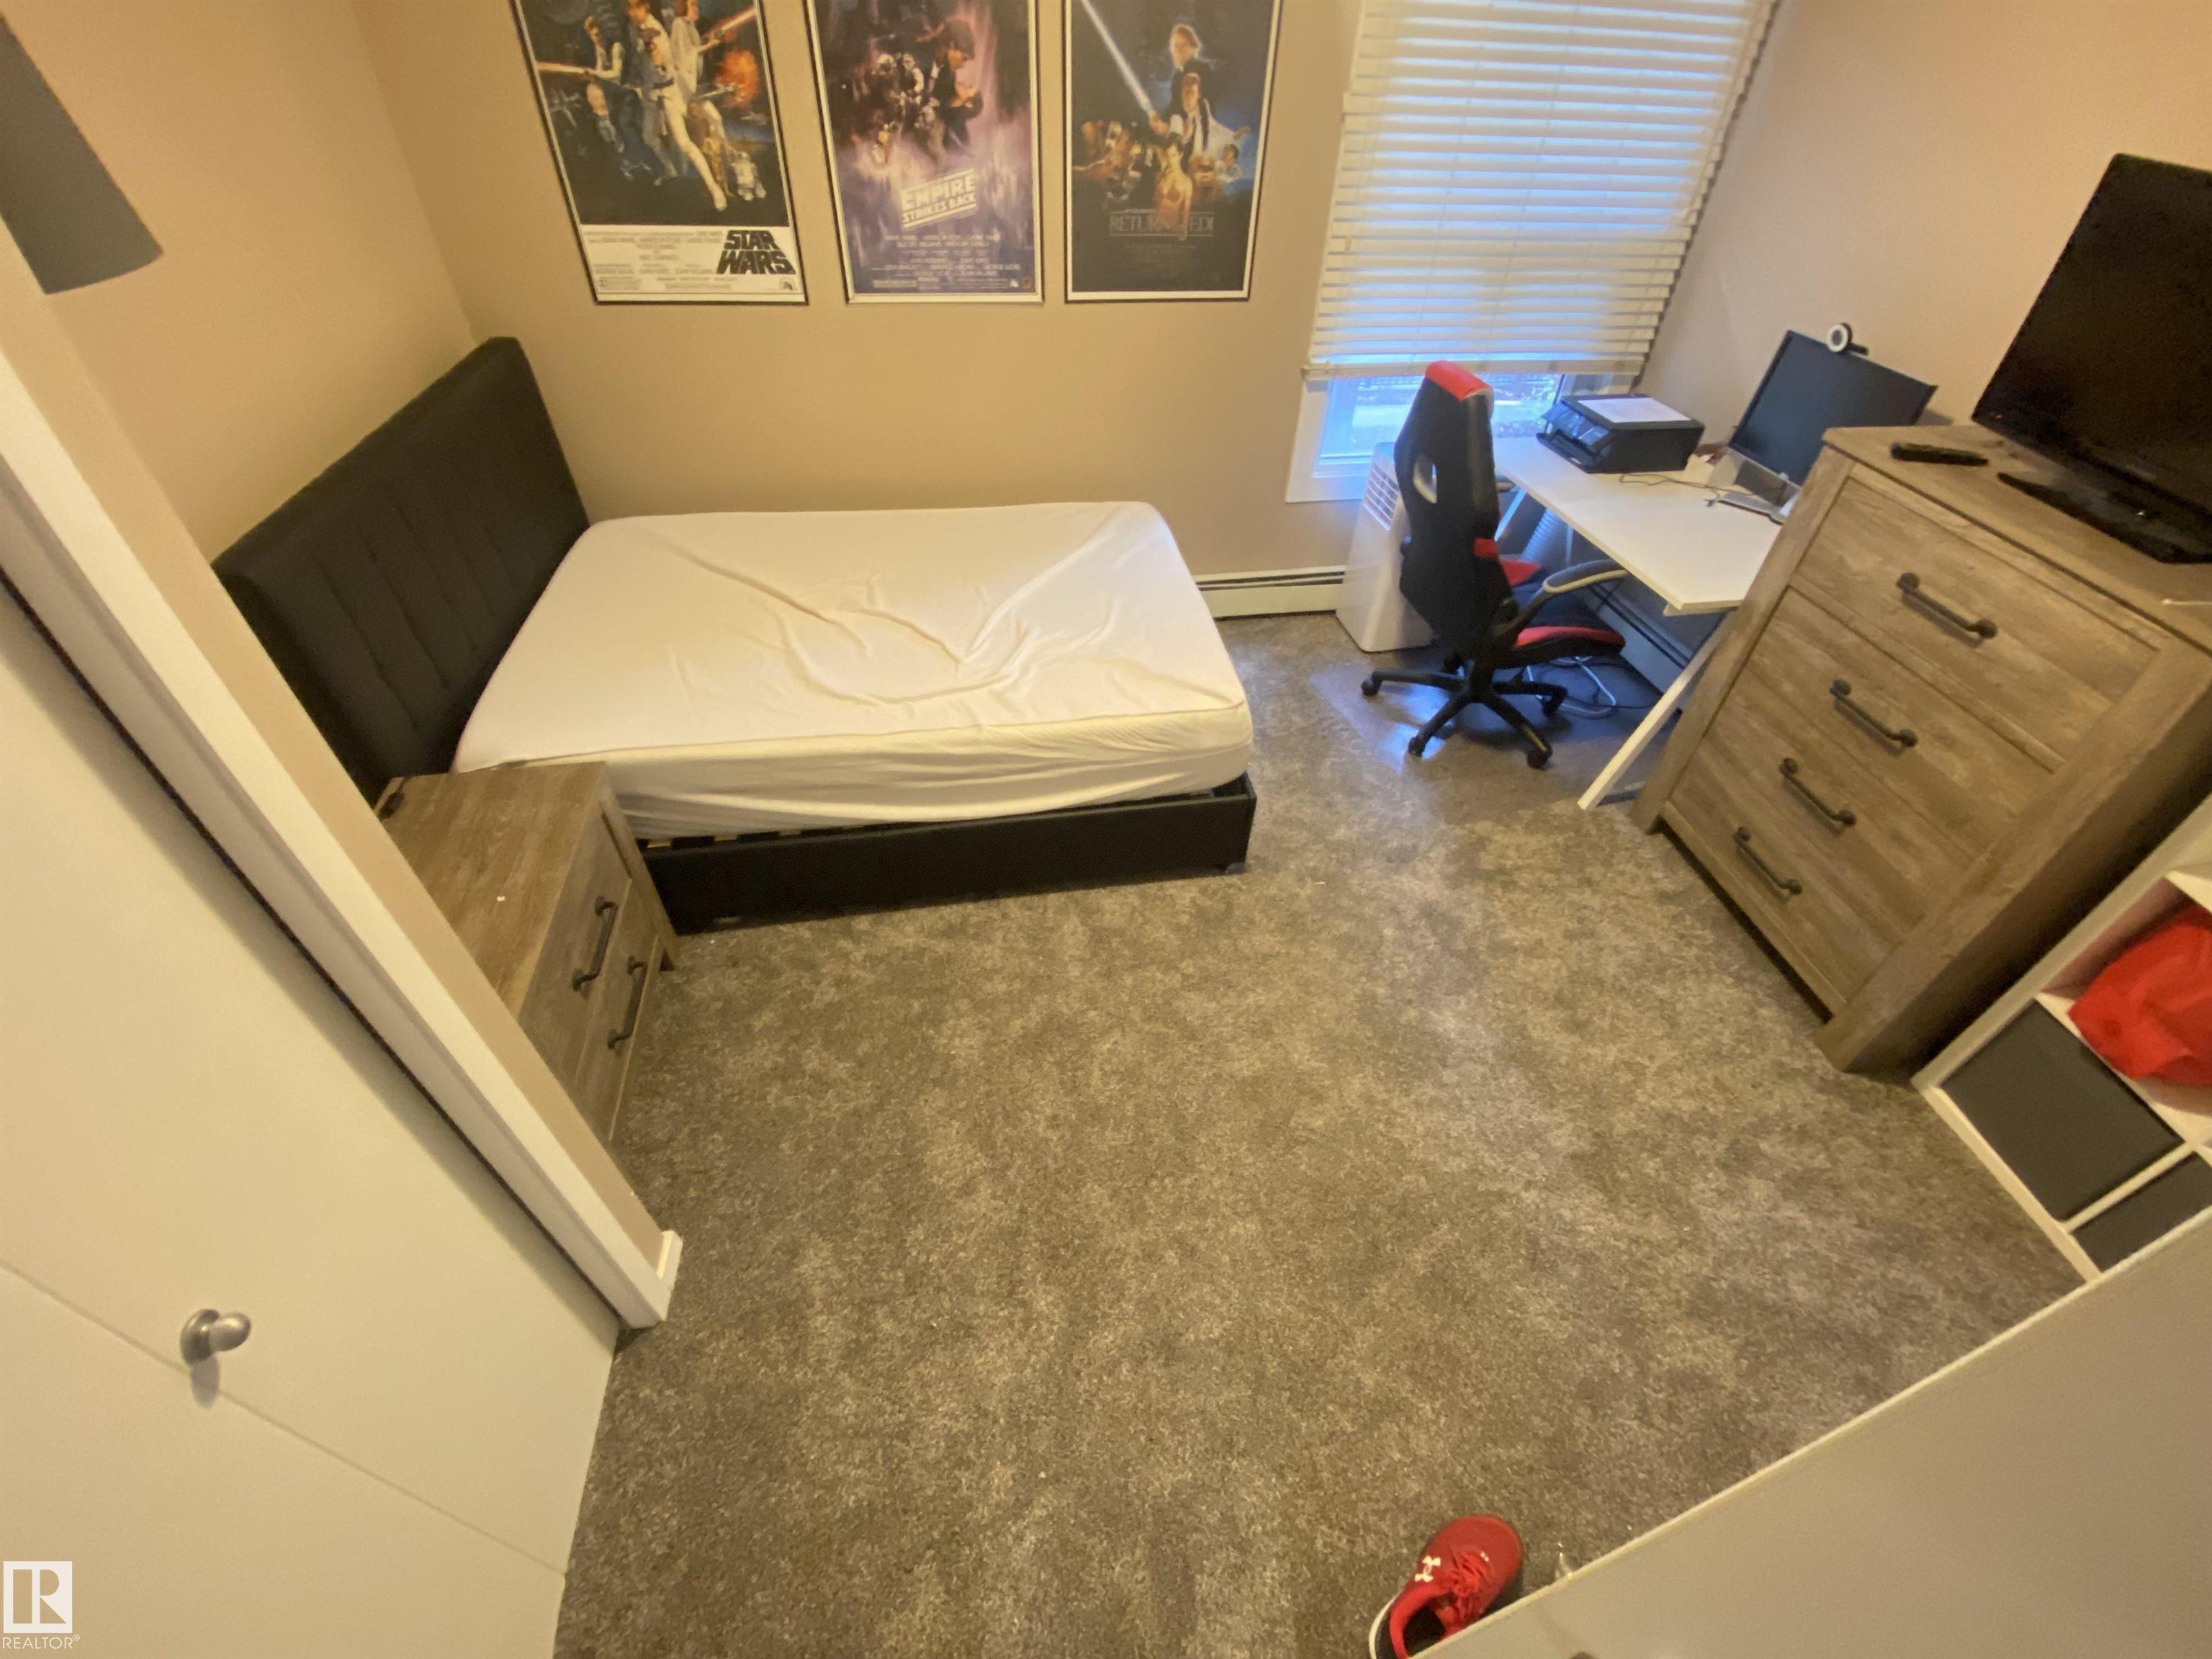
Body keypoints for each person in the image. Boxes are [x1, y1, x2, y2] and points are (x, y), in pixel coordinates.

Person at [624, 0, 727, 211]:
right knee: (649, 137)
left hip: (669, 92)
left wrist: (659, 62)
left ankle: (714, 188)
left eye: (637, 7)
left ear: (646, 7)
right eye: (630, 8)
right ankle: (670, 169)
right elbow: (639, 60)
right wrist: (638, 78)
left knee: (684, 144)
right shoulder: (633, 29)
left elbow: (668, 65)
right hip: (650, 93)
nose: (634, 12)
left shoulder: (657, 30)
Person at [923, 17, 981, 150]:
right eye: (964, 58)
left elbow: (948, 112)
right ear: (951, 46)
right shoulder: (921, 54)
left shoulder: (948, 75)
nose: (962, 66)